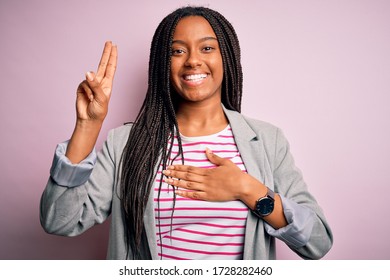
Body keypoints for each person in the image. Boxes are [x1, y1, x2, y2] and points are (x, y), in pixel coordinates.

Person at [40, 6, 333, 260]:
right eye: (177, 51)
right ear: (162, 65)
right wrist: (88, 126)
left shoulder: (268, 141)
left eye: (207, 48)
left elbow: (317, 241)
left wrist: (249, 189)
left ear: (226, 57)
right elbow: (60, 220)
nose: (192, 60)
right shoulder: (126, 143)